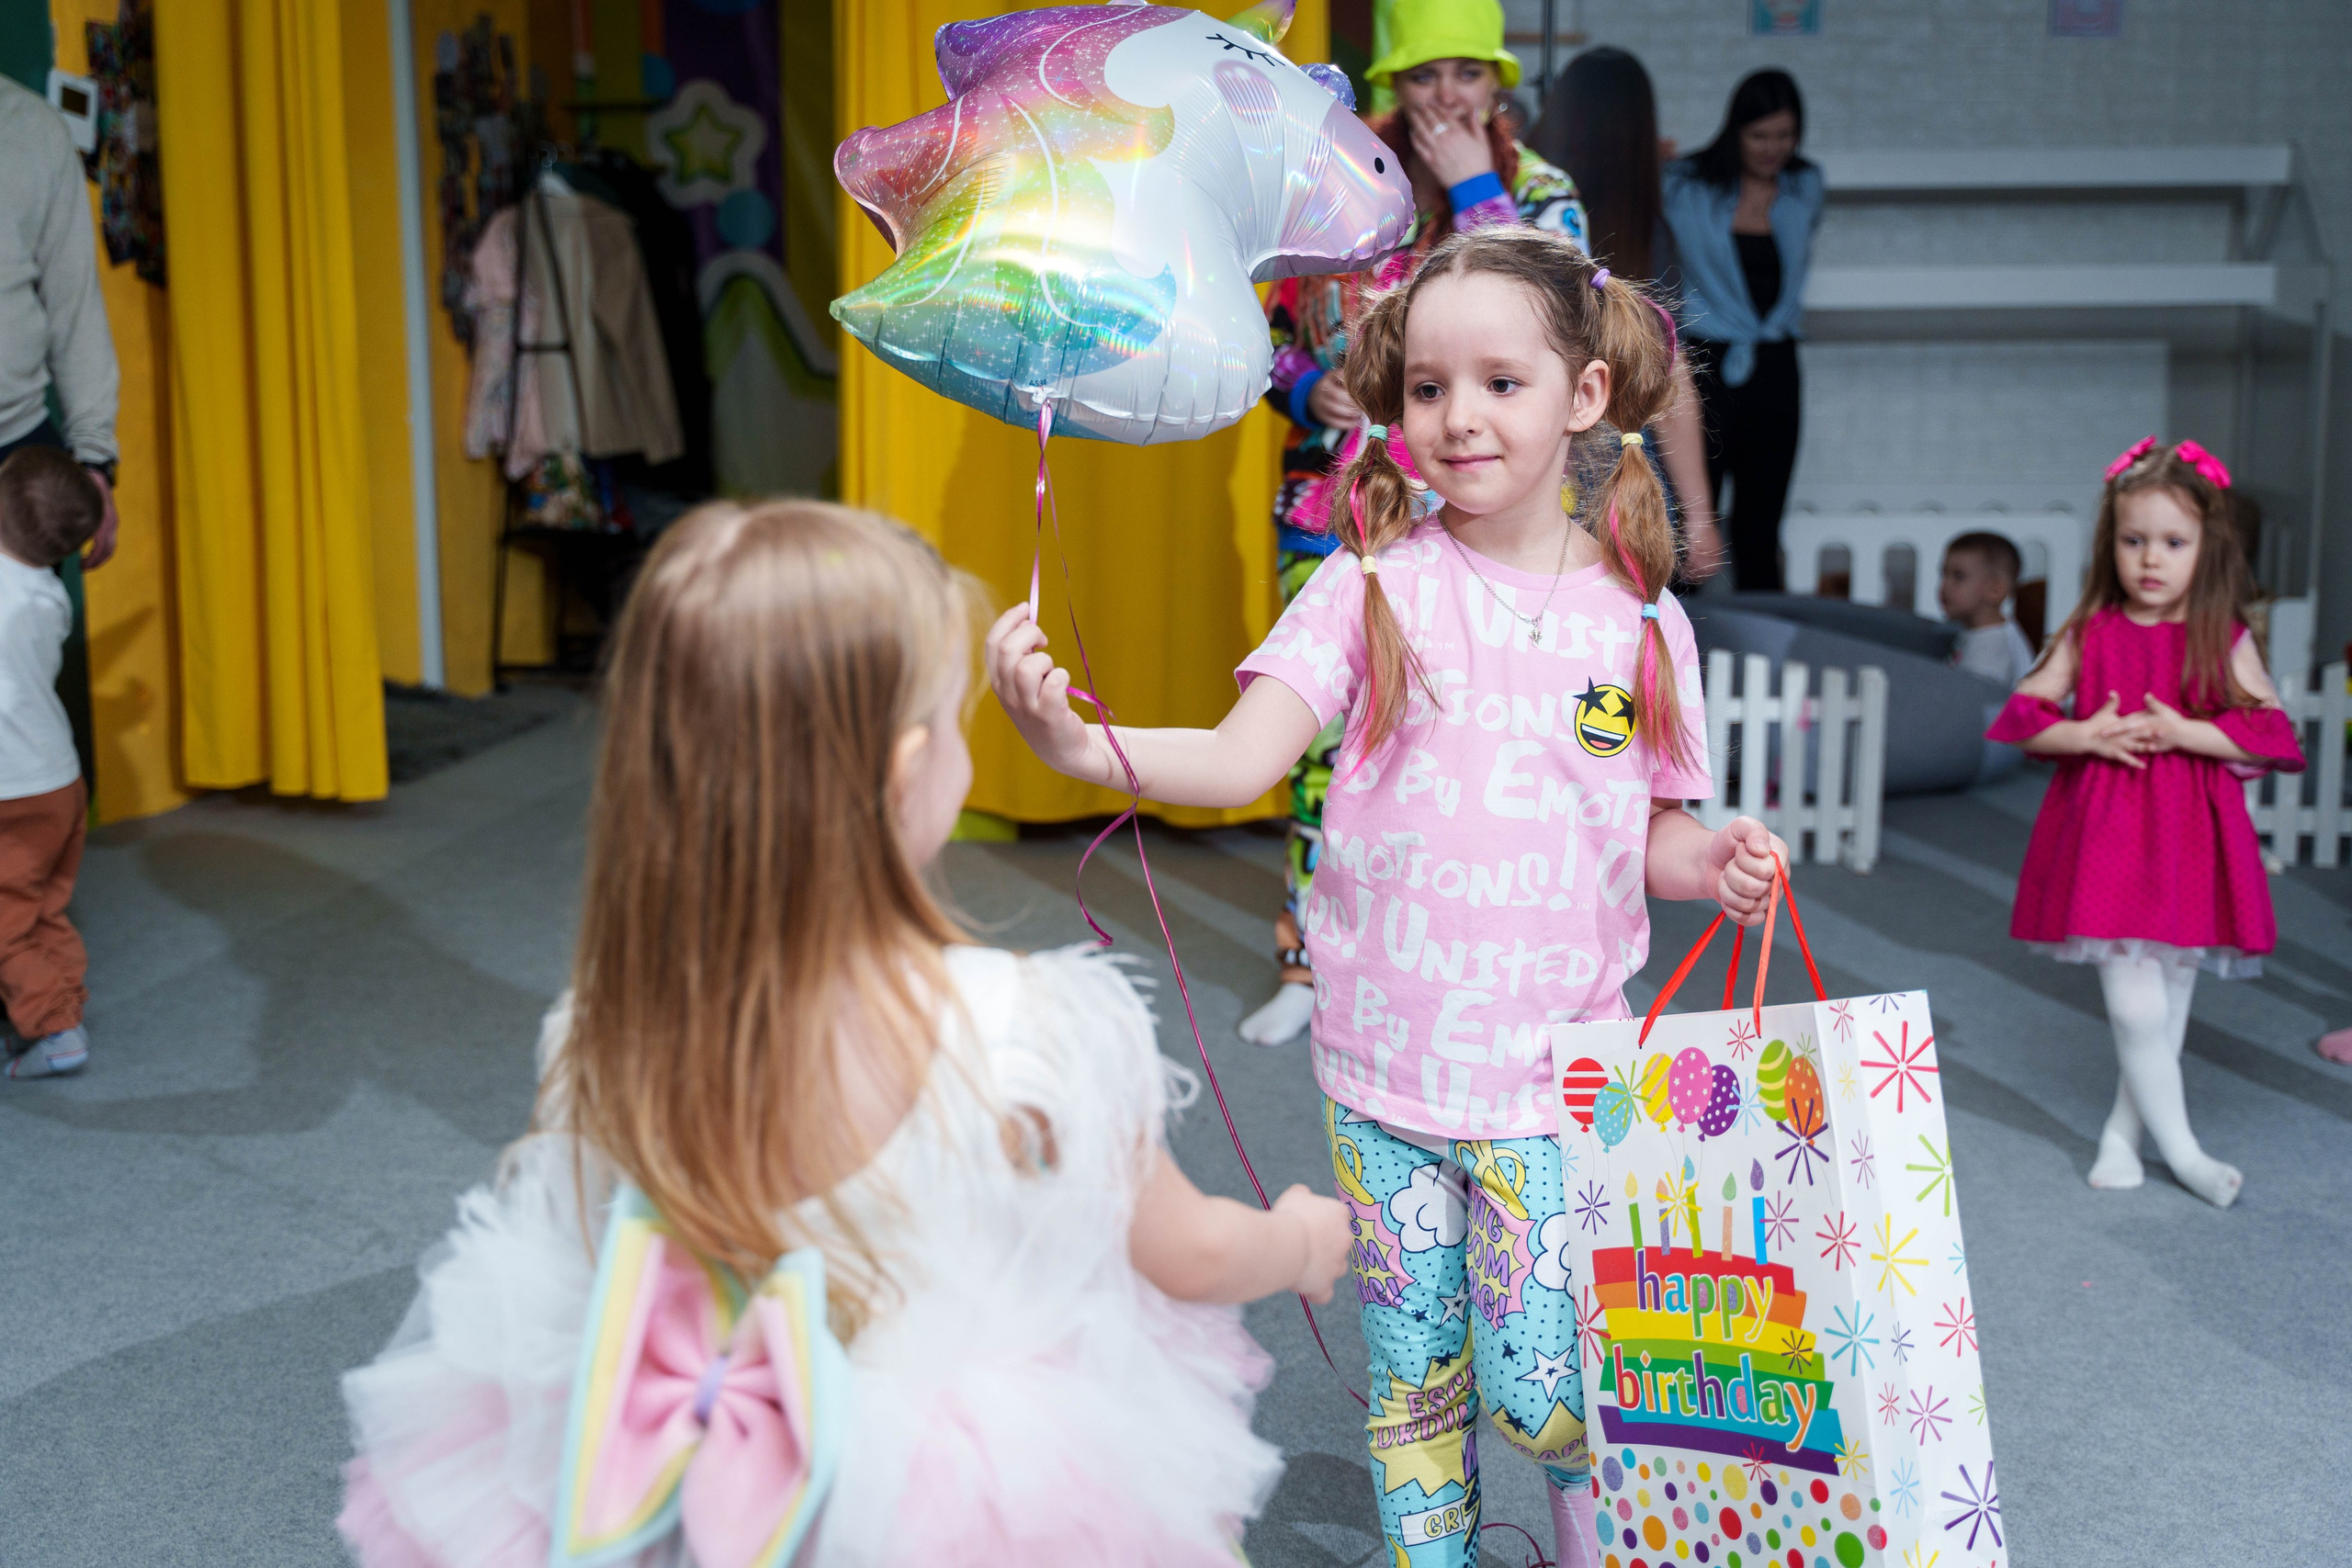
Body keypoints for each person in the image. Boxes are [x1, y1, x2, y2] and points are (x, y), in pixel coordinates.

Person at [336, 502, 1352, 1565]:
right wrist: (1296, 1239)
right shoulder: (1024, 1029)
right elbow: (1191, 1252)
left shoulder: (601, 1028)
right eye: (955, 717)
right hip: (962, 1501)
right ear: (908, 768)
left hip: (693, 1491)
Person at [989, 226, 1789, 1568]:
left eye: (1500, 382)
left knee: (1548, 1390)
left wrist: (1713, 863)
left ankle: (1600, 1537)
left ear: (1584, 395)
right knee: (1415, 1394)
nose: (1458, 416)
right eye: (1428, 387)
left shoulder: (1643, 622)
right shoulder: (1367, 588)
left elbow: (1653, 827)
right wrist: (1081, 746)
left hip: (1554, 1081)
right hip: (1385, 1078)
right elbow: (1239, 758)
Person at [1249, 0, 1586, 1048]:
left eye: (1466, 74)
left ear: (1496, 84)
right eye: (1424, 74)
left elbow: (1572, 319)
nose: (1446, 95)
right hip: (1333, 515)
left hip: (1485, 527)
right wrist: (1301, 387)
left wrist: (1478, 190)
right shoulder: (1340, 183)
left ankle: (1443, 957)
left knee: (1464, 750)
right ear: (1392, 84)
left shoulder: (1538, 192)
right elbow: (1261, 324)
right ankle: (1307, 961)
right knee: (1316, 749)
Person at [1987, 438, 2303, 1209]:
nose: (2151, 559)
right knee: (2137, 1005)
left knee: (2168, 998)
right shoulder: (2091, 630)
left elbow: (2272, 734)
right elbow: (2023, 713)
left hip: (2192, 839)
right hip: (2110, 839)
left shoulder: (2223, 635)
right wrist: (2084, 732)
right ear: (2112, 544)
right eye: (2134, 541)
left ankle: (2122, 1136)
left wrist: (2191, 730)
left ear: (2207, 546)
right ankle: (2186, 1152)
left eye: (2172, 542)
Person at [1532, 44, 1723, 585]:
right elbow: (1666, 370)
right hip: (1613, 470)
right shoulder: (1640, 229)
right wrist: (1700, 518)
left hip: (1531, 454)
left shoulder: (1517, 199)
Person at [1662, 69, 1824, 592]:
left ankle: (1768, 631)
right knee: (1691, 514)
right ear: (1735, 131)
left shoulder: (1805, 185)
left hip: (1776, 359)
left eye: (1785, 135)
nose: (1773, 148)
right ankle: (1677, 628)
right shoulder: (1686, 185)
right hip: (1705, 358)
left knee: (1762, 517)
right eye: (1760, 136)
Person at [0, 448, 103, 1079]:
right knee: (44, 908)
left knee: (4, 920)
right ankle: (66, 1009)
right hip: (61, 780)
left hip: (10, 788)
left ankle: (54, 1028)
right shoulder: (50, 595)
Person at [1, 73, 121, 566]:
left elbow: (76, 308)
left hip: (15, 467)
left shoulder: (31, 127)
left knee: (29, 618)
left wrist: (94, 460)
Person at [1939, 531, 2038, 687]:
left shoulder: (1994, 649)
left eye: (1958, 576)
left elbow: (1973, 698)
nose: (1945, 586)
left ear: (1995, 590)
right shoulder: (1980, 632)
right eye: (1944, 574)